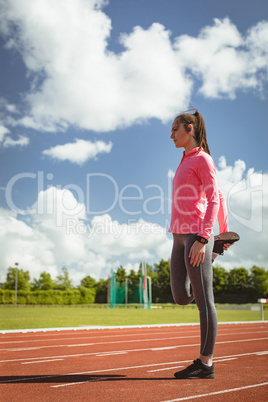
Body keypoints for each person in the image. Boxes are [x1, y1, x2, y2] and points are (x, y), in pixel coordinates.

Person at [169, 107, 232, 379]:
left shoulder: (203, 159)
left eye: (175, 129)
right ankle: (213, 254)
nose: (170, 134)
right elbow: (217, 194)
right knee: (180, 296)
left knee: (205, 301)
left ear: (189, 129)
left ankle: (206, 363)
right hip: (178, 238)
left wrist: (207, 238)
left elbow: (215, 197)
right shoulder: (184, 161)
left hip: (196, 236)